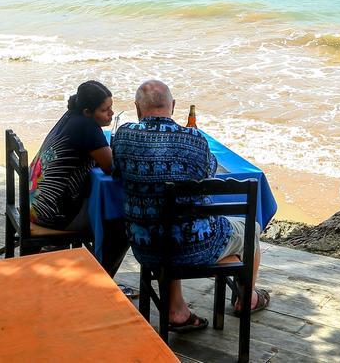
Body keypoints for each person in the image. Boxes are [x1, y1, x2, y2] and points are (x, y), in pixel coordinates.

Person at [111, 80, 270, 332]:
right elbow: (210, 170)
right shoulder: (193, 140)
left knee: (170, 225)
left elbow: (115, 170)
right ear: (172, 106)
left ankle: (177, 310)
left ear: (138, 109)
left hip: (144, 246)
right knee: (252, 228)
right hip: (197, 248)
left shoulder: (123, 136)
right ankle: (247, 298)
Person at [29, 81, 129, 277]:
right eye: (104, 110)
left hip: (34, 203)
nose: (111, 113)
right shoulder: (88, 128)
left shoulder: (70, 117)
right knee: (119, 226)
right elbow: (111, 167)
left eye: (110, 107)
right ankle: (101, 280)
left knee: (100, 204)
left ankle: (62, 258)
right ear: (87, 112)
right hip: (51, 215)